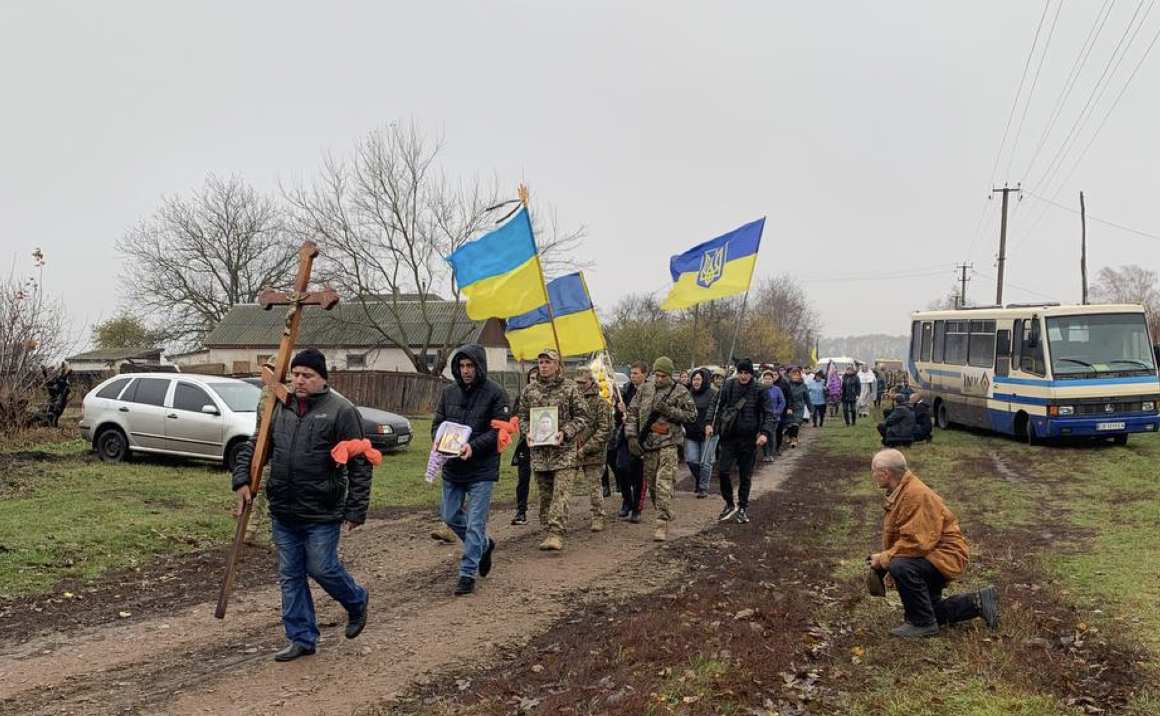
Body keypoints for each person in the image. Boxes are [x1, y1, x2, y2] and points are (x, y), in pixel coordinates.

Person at [231, 348, 371, 662]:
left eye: (307, 375)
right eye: (296, 375)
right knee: (290, 575)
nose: (299, 381)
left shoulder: (341, 411)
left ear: (323, 379)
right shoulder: (280, 407)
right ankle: (302, 638)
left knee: (322, 567)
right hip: (284, 508)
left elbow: (360, 463)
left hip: (322, 510)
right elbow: (257, 445)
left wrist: (356, 509)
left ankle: (356, 601)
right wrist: (242, 478)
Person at [866, 449, 998, 638]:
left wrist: (885, 560)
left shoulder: (915, 494)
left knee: (900, 565)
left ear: (885, 473)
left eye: (874, 471)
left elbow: (916, 544)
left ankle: (922, 624)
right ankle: (978, 601)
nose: (873, 476)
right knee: (931, 609)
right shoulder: (901, 491)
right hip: (932, 555)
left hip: (943, 556)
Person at [431, 345, 510, 596]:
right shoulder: (448, 393)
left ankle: (467, 573)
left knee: (476, 523)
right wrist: (440, 441)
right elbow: (437, 425)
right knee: (450, 515)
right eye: (462, 366)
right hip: (453, 466)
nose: (466, 371)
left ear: (479, 366)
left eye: (470, 366)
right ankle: (484, 546)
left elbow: (500, 430)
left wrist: (473, 447)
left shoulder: (496, 393)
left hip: (481, 468)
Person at [517, 348, 590, 551]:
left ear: (557, 365)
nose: (544, 366)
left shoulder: (569, 388)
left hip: (564, 452)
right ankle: (549, 528)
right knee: (546, 497)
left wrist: (565, 432)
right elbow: (521, 417)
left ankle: (556, 533)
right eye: (541, 362)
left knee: (561, 494)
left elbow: (583, 416)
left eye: (548, 362)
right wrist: (527, 432)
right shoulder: (529, 390)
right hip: (540, 454)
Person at [624, 357, 696, 542]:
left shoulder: (679, 391)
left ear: (670, 375)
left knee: (664, 485)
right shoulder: (644, 389)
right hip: (648, 446)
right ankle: (664, 510)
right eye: (657, 374)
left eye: (663, 375)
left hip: (668, 444)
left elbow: (691, 416)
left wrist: (668, 410)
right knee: (654, 490)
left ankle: (661, 525)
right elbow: (632, 413)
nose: (659, 378)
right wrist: (631, 436)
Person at [705, 359, 775, 525]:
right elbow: (715, 405)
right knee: (722, 471)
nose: (743, 376)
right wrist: (709, 423)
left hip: (749, 439)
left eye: (747, 373)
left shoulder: (760, 389)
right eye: (741, 372)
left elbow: (769, 413)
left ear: (752, 374)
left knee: (745, 475)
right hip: (728, 436)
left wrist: (764, 433)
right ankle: (729, 503)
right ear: (737, 372)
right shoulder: (728, 386)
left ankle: (743, 506)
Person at [574, 367, 614, 532]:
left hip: (594, 453)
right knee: (563, 487)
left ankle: (598, 516)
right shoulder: (572, 402)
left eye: (583, 382)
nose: (580, 385)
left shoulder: (600, 404)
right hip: (571, 451)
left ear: (590, 381)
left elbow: (605, 430)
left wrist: (587, 448)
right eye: (578, 382)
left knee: (594, 487)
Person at [613, 361, 650, 522]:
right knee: (621, 467)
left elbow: (648, 414)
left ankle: (636, 508)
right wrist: (618, 410)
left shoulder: (650, 392)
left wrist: (629, 412)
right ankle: (626, 501)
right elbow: (617, 418)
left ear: (644, 374)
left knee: (639, 474)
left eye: (636, 373)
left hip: (643, 437)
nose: (633, 376)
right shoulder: (626, 390)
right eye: (632, 373)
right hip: (625, 436)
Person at [684, 368, 718, 498]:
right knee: (691, 460)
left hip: (708, 433)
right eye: (694, 379)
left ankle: (703, 488)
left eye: (698, 379)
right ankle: (699, 479)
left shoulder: (713, 394)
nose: (696, 382)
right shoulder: (688, 394)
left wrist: (712, 426)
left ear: (704, 380)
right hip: (692, 433)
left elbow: (716, 412)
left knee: (705, 462)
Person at [510, 366, 538, 526]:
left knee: (545, 479)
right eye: (532, 378)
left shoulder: (549, 396)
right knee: (523, 477)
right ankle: (521, 511)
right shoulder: (521, 396)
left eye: (537, 378)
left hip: (545, 443)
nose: (534, 381)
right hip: (526, 443)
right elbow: (515, 416)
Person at [759, 370, 785, 462]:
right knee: (764, 434)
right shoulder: (760, 389)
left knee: (772, 435)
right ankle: (766, 454)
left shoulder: (777, 390)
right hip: (763, 417)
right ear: (763, 379)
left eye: (769, 378)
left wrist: (777, 412)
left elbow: (782, 402)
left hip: (774, 417)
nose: (767, 380)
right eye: (765, 378)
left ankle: (770, 453)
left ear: (772, 379)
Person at [783, 367, 810, 447]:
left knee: (796, 423)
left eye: (798, 375)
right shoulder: (787, 384)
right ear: (791, 375)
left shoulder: (803, 385)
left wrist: (810, 408)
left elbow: (807, 397)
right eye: (794, 374)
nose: (796, 376)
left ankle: (794, 439)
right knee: (789, 423)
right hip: (789, 406)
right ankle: (791, 437)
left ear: (800, 376)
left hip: (799, 407)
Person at [770, 368, 792, 454]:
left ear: (778, 375)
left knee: (779, 430)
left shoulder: (783, 383)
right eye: (772, 374)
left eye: (775, 374)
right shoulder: (765, 384)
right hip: (769, 411)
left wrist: (790, 407)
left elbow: (789, 396)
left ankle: (778, 447)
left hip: (782, 410)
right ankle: (770, 448)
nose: (774, 376)